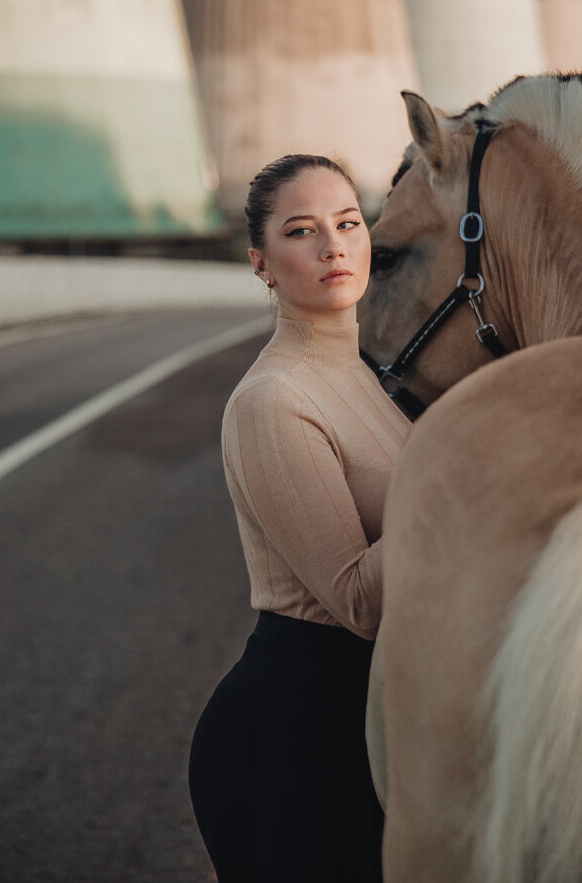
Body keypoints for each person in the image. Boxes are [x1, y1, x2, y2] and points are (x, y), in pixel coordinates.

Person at [188, 154, 410, 882]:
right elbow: (358, 601)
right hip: (302, 734)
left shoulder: (376, 375)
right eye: (301, 231)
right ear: (261, 263)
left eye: (347, 223)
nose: (333, 246)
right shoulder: (273, 401)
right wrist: (461, 474)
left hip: (384, 719)